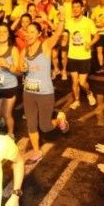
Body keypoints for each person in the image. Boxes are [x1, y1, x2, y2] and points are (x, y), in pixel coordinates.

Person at [20, 11, 69, 165]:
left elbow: (59, 32)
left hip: (45, 93)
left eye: (32, 32)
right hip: (28, 93)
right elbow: (21, 67)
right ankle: (36, 151)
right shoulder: (24, 51)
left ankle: (60, 118)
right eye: (27, 32)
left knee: (46, 127)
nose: (28, 35)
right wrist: (20, 68)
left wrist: (61, 19)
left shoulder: (46, 45)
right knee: (31, 124)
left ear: (39, 34)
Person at [65, 0, 99, 110]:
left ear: (82, 8)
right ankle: (77, 100)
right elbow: (65, 36)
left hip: (84, 56)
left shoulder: (88, 22)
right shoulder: (69, 22)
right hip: (72, 55)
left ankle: (89, 93)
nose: (75, 9)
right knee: (74, 81)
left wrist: (91, 43)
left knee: (82, 82)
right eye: (73, 7)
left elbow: (97, 35)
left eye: (77, 7)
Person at [0, 23, 20, 139]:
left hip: (9, 86)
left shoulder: (13, 50)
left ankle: (11, 134)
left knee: (7, 114)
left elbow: (18, 72)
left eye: (4, 32)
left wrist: (8, 65)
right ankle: (1, 116)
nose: (1, 34)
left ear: (9, 34)